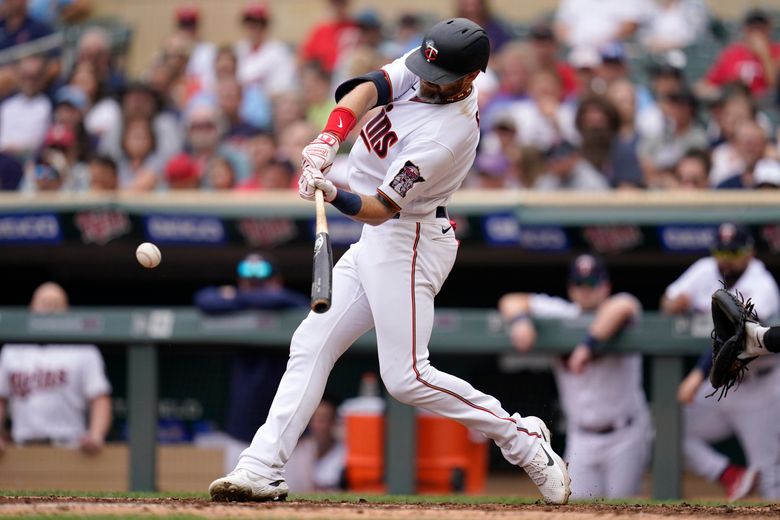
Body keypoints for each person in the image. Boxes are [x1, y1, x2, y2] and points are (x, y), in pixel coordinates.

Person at [208, 18, 571, 505]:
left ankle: (522, 439)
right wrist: (328, 138)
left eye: (438, 79)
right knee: (310, 343)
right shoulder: (429, 66)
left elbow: (381, 210)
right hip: (377, 240)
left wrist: (332, 191)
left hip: (410, 239)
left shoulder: (450, 134)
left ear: (469, 80)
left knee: (406, 377)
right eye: (424, 69)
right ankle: (262, 466)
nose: (423, 80)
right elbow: (367, 89)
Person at [498, 255, 651, 499]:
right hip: (580, 437)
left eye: (593, 283)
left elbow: (623, 306)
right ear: (571, 288)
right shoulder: (562, 313)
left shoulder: (620, 307)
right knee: (575, 505)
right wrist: (519, 322)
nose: (586, 290)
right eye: (580, 283)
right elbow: (511, 300)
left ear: (606, 286)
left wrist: (587, 346)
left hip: (625, 434)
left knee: (623, 508)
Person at [662, 222, 780, 500]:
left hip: (759, 387)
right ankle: (728, 474)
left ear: (749, 252)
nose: (725, 258)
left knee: (769, 478)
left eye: (734, 251)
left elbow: (737, 336)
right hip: (724, 384)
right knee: (670, 431)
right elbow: (666, 302)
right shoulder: (705, 270)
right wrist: (674, 304)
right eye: (721, 251)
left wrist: (696, 376)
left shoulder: (761, 283)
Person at [194, 253, 308, 472]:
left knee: (303, 503)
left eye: (261, 283)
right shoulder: (237, 306)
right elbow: (204, 299)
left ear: (276, 281)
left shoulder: (289, 303)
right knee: (234, 499)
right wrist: (250, 298)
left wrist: (235, 297)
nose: (254, 287)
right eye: (249, 283)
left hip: (292, 433)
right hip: (242, 431)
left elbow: (283, 299)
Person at [0, 282, 112, 455]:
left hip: (70, 447)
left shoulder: (83, 350)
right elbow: (1, 398)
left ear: (67, 311)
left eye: (55, 303)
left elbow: (99, 398)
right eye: (44, 302)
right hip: (22, 446)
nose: (49, 308)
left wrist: (96, 435)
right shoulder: (11, 350)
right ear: (30, 308)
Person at [697, 9, 780, 100]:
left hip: (767, 104)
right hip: (736, 103)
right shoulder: (732, 53)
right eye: (752, 27)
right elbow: (706, 84)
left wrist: (765, 55)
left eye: (761, 27)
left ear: (769, 29)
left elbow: (774, 85)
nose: (756, 32)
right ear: (745, 29)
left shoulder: (776, 51)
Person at [284, 398, 346, 492]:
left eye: (323, 420)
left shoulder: (345, 453)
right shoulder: (297, 451)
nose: (317, 425)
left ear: (333, 422)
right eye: (314, 419)